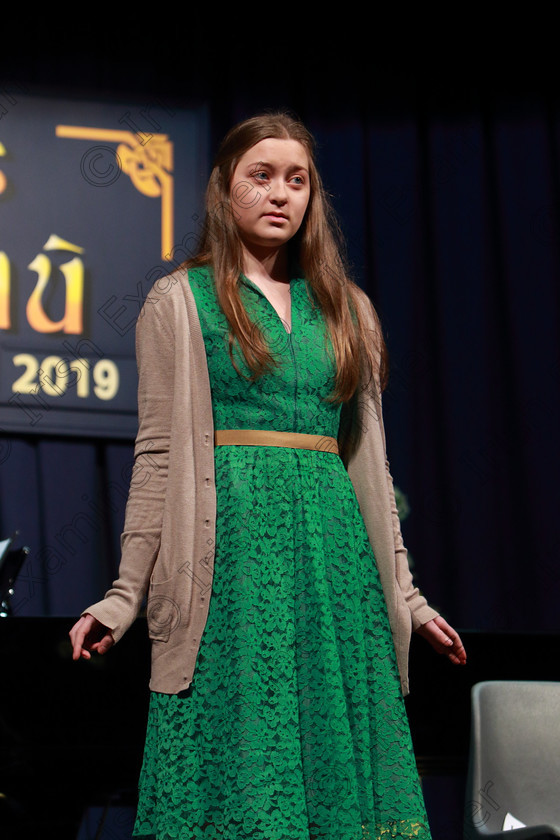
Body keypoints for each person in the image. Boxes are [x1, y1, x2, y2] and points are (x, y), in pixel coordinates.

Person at [69, 112, 466, 840]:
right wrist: (124, 597)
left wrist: (406, 597)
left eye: (298, 179)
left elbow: (371, 471)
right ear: (225, 189)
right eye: (262, 175)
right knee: (243, 770)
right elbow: (157, 459)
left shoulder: (350, 312)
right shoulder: (179, 302)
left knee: (334, 771)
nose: (280, 194)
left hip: (332, 571)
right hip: (231, 569)